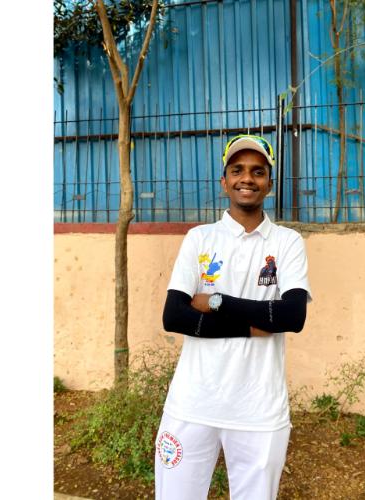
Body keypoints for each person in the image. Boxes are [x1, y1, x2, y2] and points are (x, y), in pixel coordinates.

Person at [155, 134, 312, 500]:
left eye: (258, 171)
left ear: (269, 184)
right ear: (224, 181)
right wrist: (253, 326)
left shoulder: (287, 242)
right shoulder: (199, 238)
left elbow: (292, 315)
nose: (247, 178)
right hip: (192, 404)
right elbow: (174, 316)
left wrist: (216, 301)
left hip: (259, 410)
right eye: (237, 169)